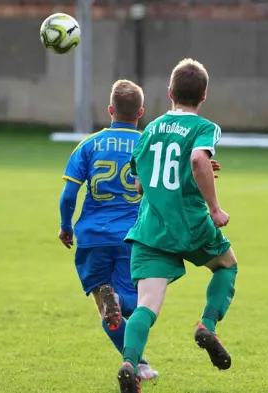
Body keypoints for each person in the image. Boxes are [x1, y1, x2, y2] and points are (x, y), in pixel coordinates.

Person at [117, 58, 238, 393]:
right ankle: (207, 325)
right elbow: (197, 159)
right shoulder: (204, 128)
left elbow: (141, 186)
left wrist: (187, 171)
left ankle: (130, 362)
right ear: (204, 95)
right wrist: (214, 208)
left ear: (170, 92)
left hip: (151, 228)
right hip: (190, 223)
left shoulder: (150, 130)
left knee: (147, 305)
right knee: (227, 265)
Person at [58, 80, 159, 381]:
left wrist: (65, 227)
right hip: (131, 236)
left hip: (91, 237)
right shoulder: (146, 144)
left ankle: (138, 364)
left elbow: (68, 195)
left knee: (106, 310)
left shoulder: (88, 145)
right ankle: (137, 359)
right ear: (140, 112)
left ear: (110, 109)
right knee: (129, 304)